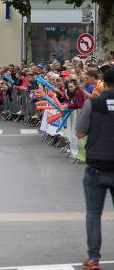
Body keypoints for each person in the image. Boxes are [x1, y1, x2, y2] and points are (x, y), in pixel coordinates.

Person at [75, 65, 114, 270]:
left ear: (103, 82)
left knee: (93, 214)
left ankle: (93, 259)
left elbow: (80, 133)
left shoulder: (93, 103)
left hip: (96, 166)